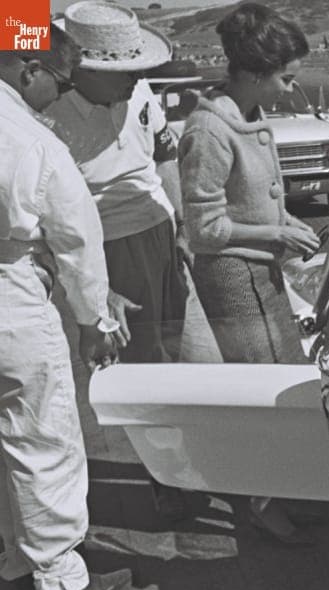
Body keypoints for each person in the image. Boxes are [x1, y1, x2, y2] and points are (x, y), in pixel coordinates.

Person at [0, 25, 134, 590]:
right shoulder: (31, 141)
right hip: (10, 294)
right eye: (57, 78)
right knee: (40, 434)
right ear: (28, 66)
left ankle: (16, 557)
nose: (58, 91)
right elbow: (78, 238)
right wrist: (94, 319)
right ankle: (59, 577)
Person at [178, 2, 323, 545]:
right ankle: (260, 500)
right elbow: (206, 230)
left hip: (260, 272)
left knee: (284, 384)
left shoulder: (251, 116)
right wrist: (276, 235)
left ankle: (282, 487)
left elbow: (260, 201)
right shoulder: (210, 131)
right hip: (234, 281)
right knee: (260, 397)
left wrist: (288, 224)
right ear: (257, 73)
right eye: (286, 77)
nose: (292, 88)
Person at [45, 1, 194, 520]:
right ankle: (160, 477)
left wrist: (180, 226)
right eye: (119, 73)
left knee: (174, 351)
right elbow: (56, 220)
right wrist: (93, 285)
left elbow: (165, 153)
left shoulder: (140, 91)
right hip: (106, 245)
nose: (133, 80)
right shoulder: (47, 116)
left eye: (135, 70)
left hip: (158, 230)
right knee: (133, 367)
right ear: (78, 67)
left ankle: (183, 463)